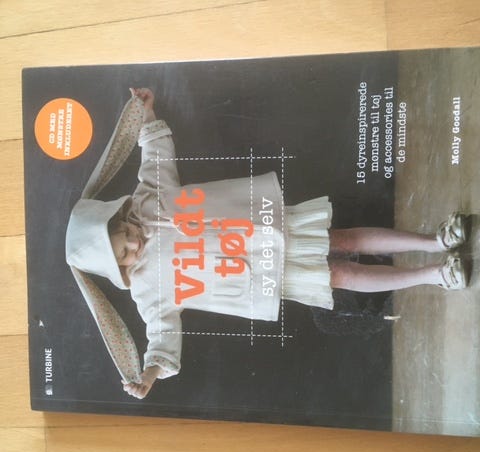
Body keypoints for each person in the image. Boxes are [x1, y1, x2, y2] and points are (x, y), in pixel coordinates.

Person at [66, 88, 469, 399]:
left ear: (116, 217)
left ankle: (435, 240)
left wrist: (147, 112)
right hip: (263, 274)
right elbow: (161, 334)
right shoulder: (146, 289)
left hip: (266, 228)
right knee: (341, 274)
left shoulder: (147, 199)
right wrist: (150, 374)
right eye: (125, 255)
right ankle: (435, 275)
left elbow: (156, 155)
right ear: (118, 270)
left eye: (124, 235)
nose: (133, 244)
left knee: (343, 239)